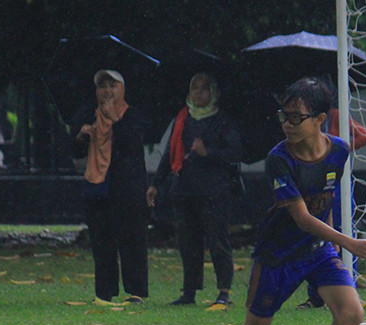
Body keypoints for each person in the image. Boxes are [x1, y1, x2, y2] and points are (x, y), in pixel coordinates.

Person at [200, 77, 366, 325]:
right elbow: (301, 217)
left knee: (350, 314)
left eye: (295, 117)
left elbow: (325, 199)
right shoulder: (279, 158)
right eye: (283, 116)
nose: (287, 123)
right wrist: (349, 242)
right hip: (277, 256)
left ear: (320, 119)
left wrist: (333, 243)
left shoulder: (339, 151)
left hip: (318, 250)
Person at [146, 72, 243, 308]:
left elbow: (235, 153)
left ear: (214, 93)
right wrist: (156, 184)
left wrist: (207, 152)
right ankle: (189, 291)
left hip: (214, 191)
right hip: (185, 190)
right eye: (195, 88)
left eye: (205, 88)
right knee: (188, 243)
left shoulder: (223, 121)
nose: (199, 93)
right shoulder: (183, 119)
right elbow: (170, 153)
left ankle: (224, 291)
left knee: (218, 241)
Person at [74, 69, 151, 304]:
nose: (107, 91)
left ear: (122, 89)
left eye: (112, 85)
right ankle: (104, 291)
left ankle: (136, 291)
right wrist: (81, 136)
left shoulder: (133, 115)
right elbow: (75, 152)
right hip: (97, 185)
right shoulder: (89, 114)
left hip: (127, 186)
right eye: (102, 86)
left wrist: (114, 119)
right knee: (101, 240)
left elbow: (133, 144)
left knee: (131, 238)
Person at [297, 97, 366, 310]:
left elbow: (365, 135)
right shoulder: (302, 122)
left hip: (339, 182)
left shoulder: (335, 116)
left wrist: (339, 151)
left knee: (343, 232)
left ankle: (348, 289)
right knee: (316, 235)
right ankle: (316, 295)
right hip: (314, 181)